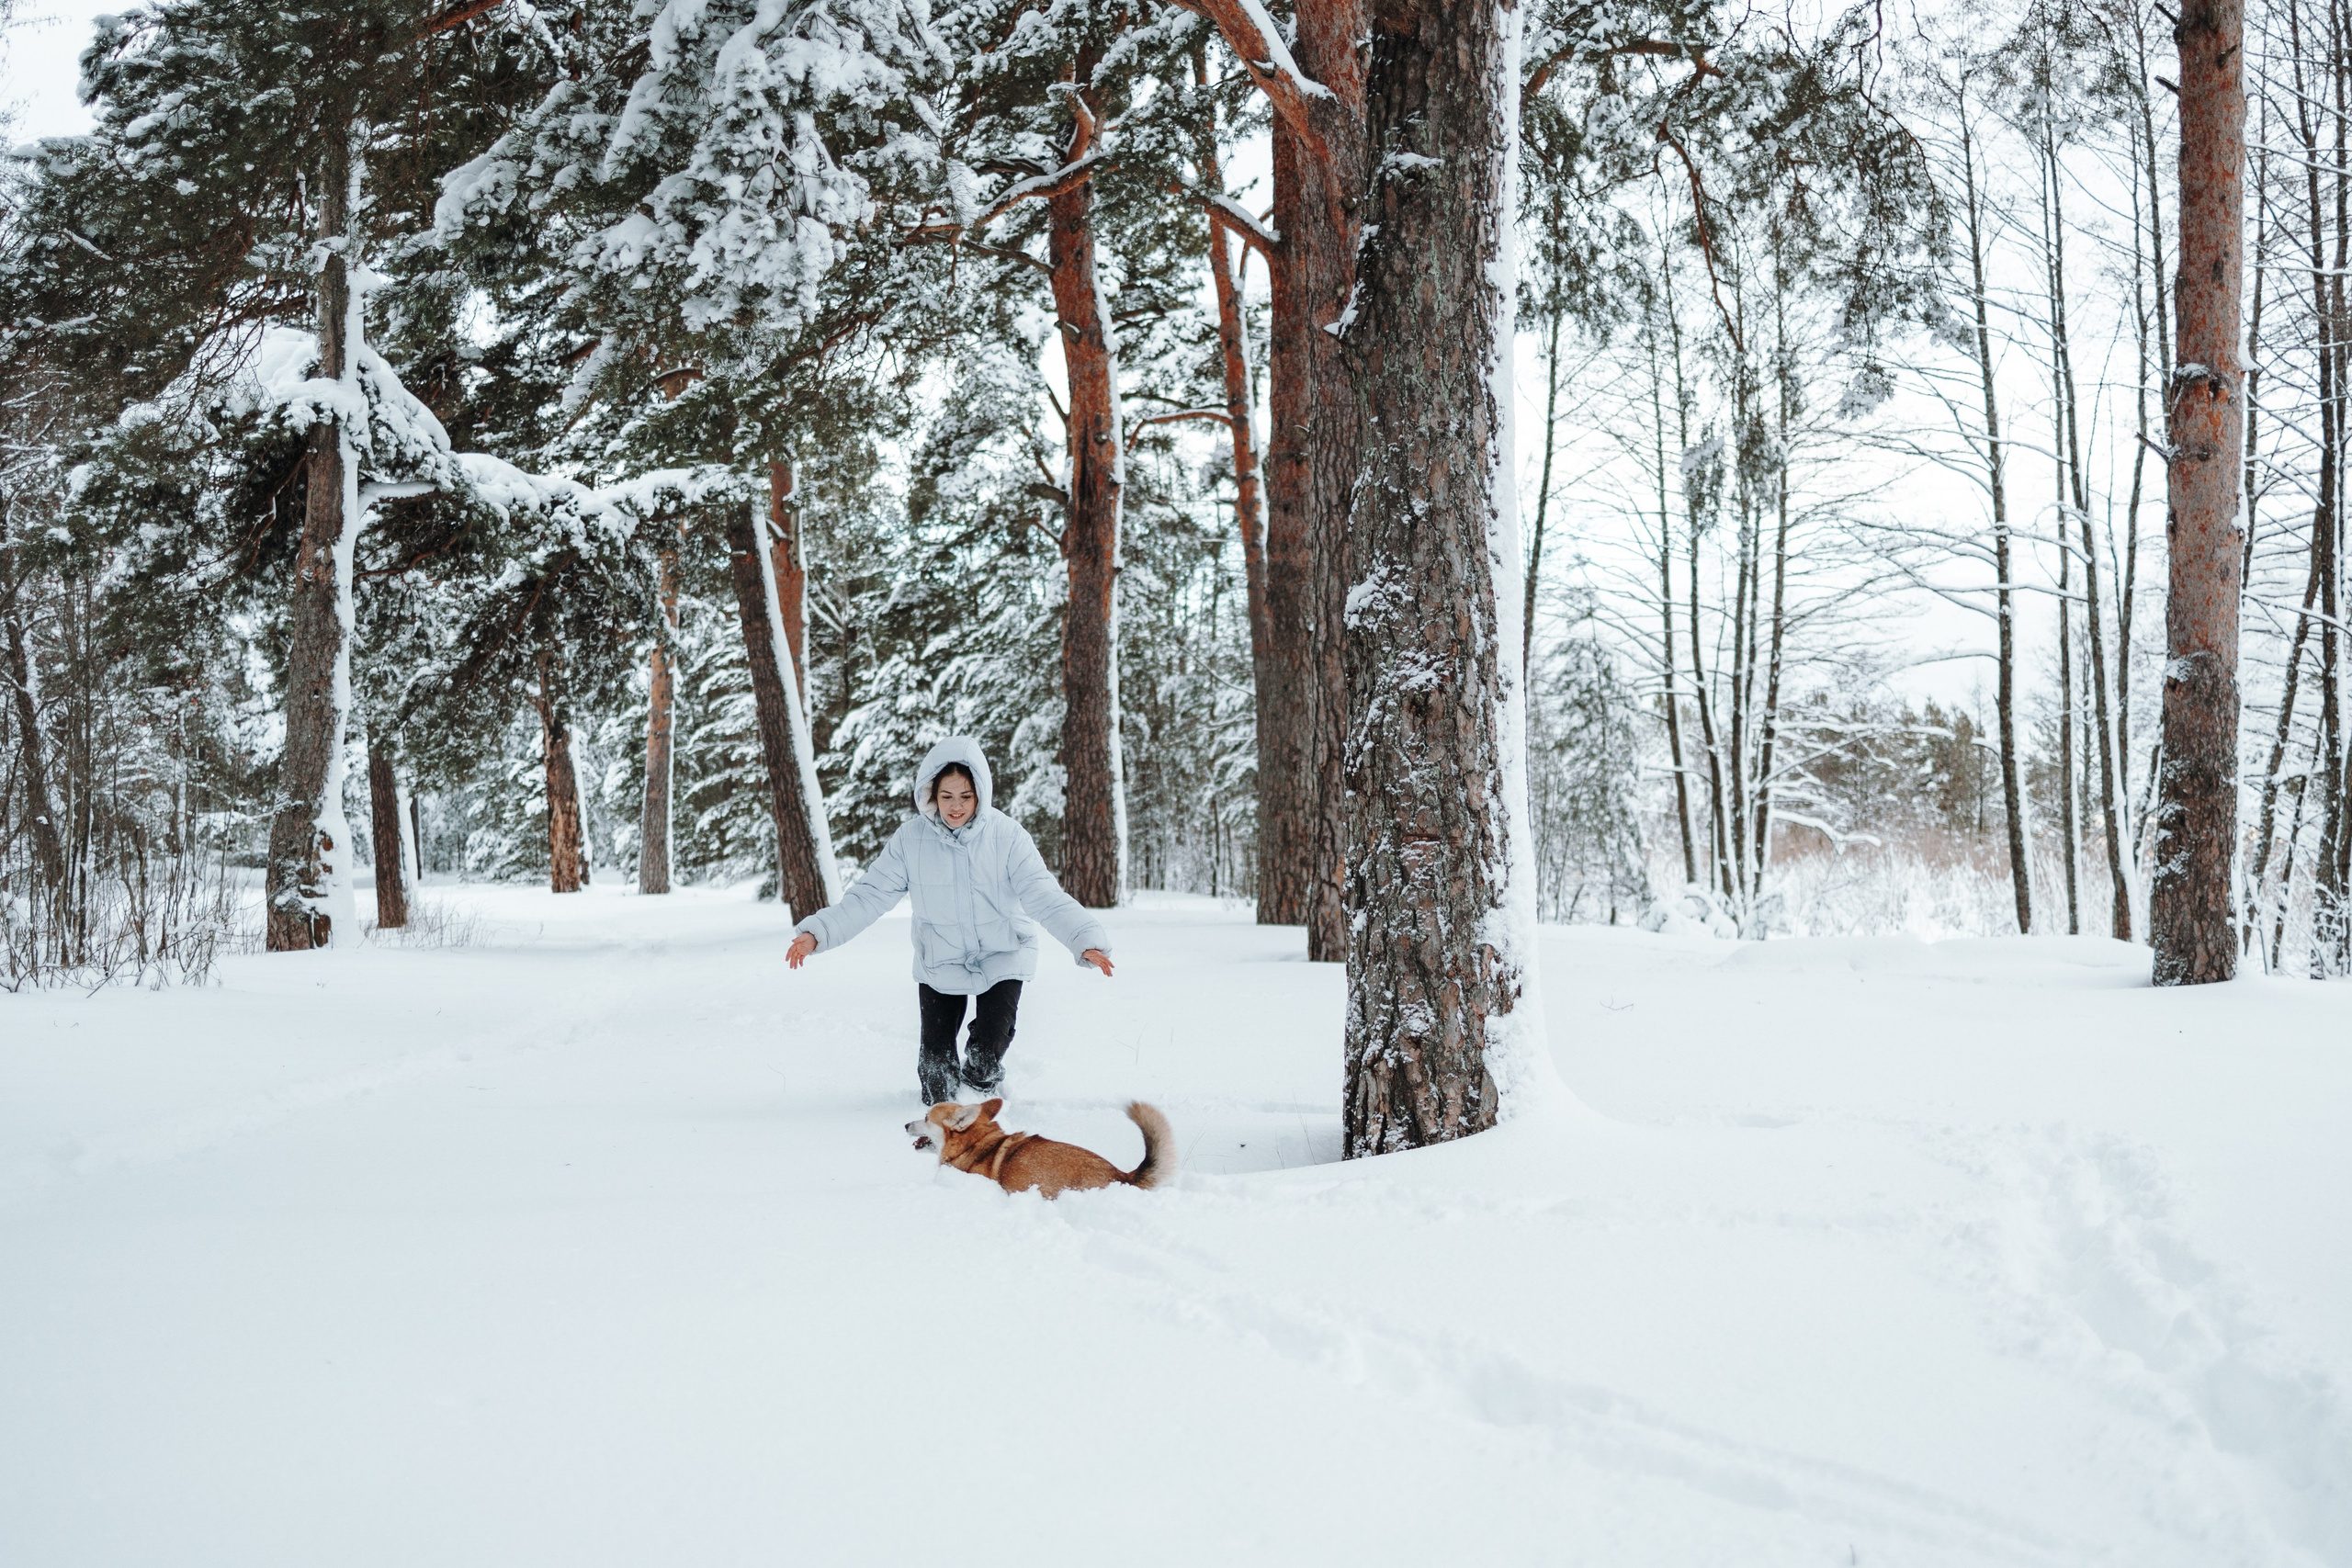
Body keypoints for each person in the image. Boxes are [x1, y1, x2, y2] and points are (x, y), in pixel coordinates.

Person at [786, 736, 1114, 1103]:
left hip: (1002, 951)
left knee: (985, 1057)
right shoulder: (910, 840)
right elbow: (870, 895)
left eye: (966, 797)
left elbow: (1044, 896)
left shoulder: (1007, 836)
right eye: (946, 797)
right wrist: (819, 932)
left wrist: (1083, 938)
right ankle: (943, 1122)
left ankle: (979, 1101)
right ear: (931, 795)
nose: (956, 807)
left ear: (980, 795)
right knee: (935, 1077)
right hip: (940, 957)